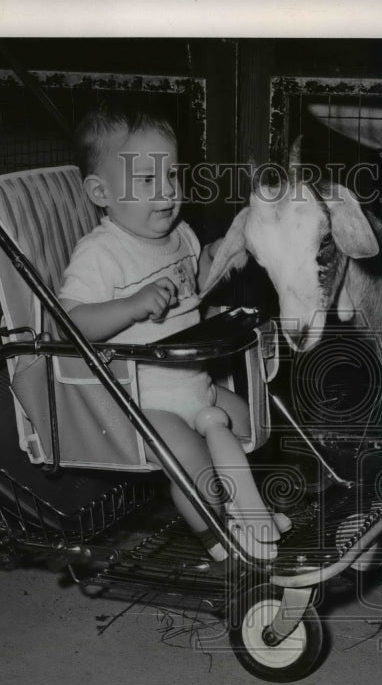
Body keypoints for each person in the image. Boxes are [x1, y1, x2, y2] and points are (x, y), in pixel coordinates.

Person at [59, 106, 283, 566]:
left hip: (195, 380)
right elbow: (69, 322)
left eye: (173, 175)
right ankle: (217, 540)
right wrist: (130, 305)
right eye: (146, 181)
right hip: (144, 398)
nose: (166, 191)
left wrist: (218, 259)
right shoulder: (101, 254)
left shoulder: (179, 235)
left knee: (252, 428)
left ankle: (250, 508)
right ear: (102, 193)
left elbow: (193, 284)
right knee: (195, 468)